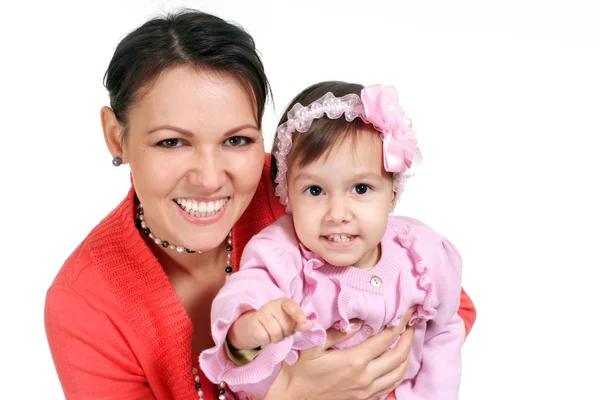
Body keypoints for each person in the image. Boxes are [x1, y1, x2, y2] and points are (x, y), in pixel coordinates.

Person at [44, 9, 476, 400]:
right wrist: (292, 394)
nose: (210, 179)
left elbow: (448, 303)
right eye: (172, 142)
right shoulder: (84, 303)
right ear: (117, 136)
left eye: (237, 140)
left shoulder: (307, 189)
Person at [200, 82, 465, 399]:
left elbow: (445, 330)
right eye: (315, 191)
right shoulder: (281, 253)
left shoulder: (422, 252)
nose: (338, 213)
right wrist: (249, 326)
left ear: (392, 192)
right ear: (288, 195)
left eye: (361, 189)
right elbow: (245, 289)